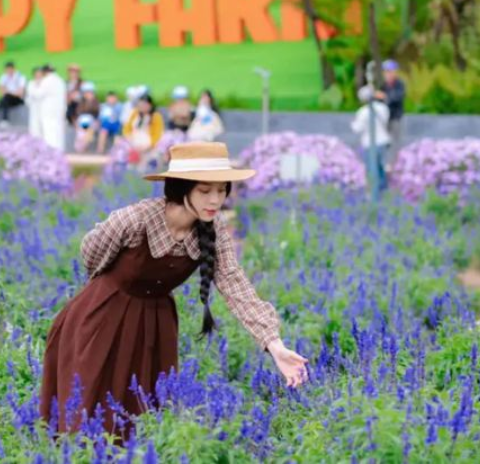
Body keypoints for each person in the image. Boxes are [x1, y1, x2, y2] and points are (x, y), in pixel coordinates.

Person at [40, 141, 308, 436]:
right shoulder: (135, 219)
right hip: (101, 320)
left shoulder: (214, 230)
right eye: (205, 190)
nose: (215, 200)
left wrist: (275, 345)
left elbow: (235, 283)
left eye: (222, 190)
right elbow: (90, 253)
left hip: (154, 329)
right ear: (182, 188)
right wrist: (111, 291)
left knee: (142, 421)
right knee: (87, 413)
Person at [351, 85, 391, 193]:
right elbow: (387, 120)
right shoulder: (383, 108)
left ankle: (374, 193)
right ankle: (384, 191)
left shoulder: (362, 112)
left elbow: (357, 128)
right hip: (383, 141)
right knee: (381, 167)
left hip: (369, 144)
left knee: (372, 169)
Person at [375, 59, 406, 170]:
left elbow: (396, 98)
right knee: (384, 141)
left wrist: (384, 97)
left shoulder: (399, 85)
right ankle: (384, 163)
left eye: (390, 71)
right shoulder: (384, 86)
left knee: (395, 142)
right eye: (386, 72)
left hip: (395, 118)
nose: (387, 74)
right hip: (384, 119)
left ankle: (393, 165)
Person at [122, 94, 164, 162]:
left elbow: (157, 134)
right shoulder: (135, 113)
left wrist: (148, 146)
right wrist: (128, 137)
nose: (143, 107)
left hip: (148, 143)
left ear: (150, 105)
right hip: (133, 140)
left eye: (145, 105)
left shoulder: (156, 116)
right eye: (141, 105)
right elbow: (127, 128)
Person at [39, 64, 67, 151]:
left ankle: (50, 152)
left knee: (49, 131)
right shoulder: (60, 80)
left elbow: (39, 94)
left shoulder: (46, 81)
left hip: (48, 110)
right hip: (60, 109)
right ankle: (59, 151)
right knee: (58, 131)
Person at [0, 61, 26, 128]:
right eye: (7, 69)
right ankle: (4, 119)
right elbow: (1, 91)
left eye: (10, 69)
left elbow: (20, 93)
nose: (8, 71)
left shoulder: (20, 77)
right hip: (7, 99)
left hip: (18, 100)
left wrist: (9, 92)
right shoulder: (3, 77)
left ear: (13, 69)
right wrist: (11, 93)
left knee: (6, 98)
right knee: (6, 99)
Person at [26, 66, 45, 139]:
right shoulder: (31, 83)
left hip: (43, 108)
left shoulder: (45, 83)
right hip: (34, 107)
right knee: (34, 126)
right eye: (36, 74)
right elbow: (32, 94)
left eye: (40, 74)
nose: (38, 75)